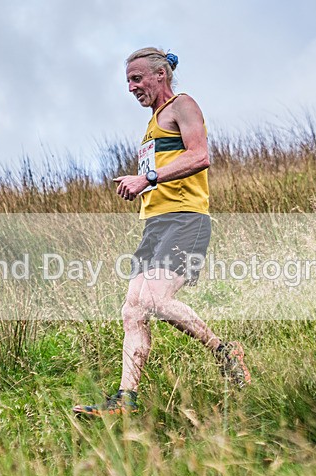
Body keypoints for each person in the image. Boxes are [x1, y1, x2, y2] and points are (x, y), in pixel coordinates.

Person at [73, 47, 250, 417]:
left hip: (186, 219)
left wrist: (146, 178)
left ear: (160, 75)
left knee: (153, 299)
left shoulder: (182, 105)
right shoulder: (153, 122)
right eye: (128, 82)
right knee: (132, 311)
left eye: (137, 79)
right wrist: (143, 185)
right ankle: (125, 400)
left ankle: (224, 350)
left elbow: (200, 155)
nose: (131, 87)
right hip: (156, 225)